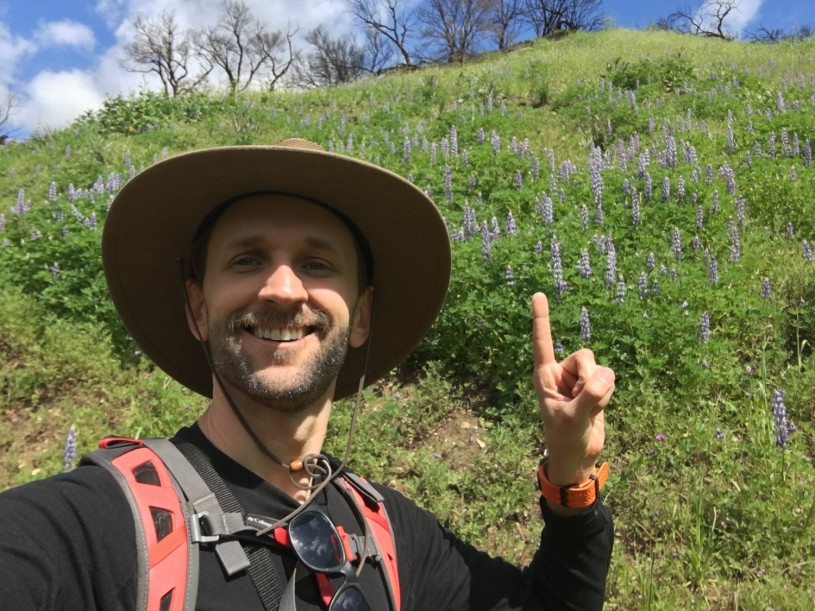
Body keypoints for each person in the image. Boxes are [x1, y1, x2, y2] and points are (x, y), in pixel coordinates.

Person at [0, 138, 615, 610]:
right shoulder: (89, 528)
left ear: (363, 314)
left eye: (317, 262)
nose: (283, 289)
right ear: (196, 308)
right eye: (248, 258)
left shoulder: (391, 536)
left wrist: (571, 477)